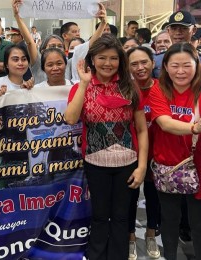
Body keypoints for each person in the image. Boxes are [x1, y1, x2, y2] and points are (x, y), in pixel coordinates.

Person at [65, 34, 148, 259]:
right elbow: (71, 119)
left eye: (113, 58)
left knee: (121, 217)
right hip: (94, 163)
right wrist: (83, 83)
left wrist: (141, 168)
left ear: (120, 60)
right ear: (92, 59)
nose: (108, 63)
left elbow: (141, 130)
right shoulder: (81, 87)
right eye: (102, 57)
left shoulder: (130, 88)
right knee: (100, 217)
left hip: (128, 164)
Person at [149, 42, 201, 260]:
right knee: (169, 219)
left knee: (198, 222)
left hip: (198, 164)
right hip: (168, 164)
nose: (181, 71)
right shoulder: (158, 89)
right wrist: (194, 127)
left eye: (187, 65)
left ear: (196, 65)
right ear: (166, 67)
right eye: (175, 65)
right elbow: (165, 123)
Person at [126, 46, 161, 260]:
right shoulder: (125, 89)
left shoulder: (163, 88)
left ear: (153, 62)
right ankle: (130, 237)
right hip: (130, 154)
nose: (140, 68)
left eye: (144, 62)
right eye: (134, 64)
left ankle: (151, 233)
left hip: (158, 154)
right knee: (129, 197)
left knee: (154, 196)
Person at [153, 10, 197, 78]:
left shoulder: (199, 58)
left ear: (193, 30)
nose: (178, 32)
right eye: (174, 29)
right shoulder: (156, 60)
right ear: (168, 31)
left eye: (184, 28)